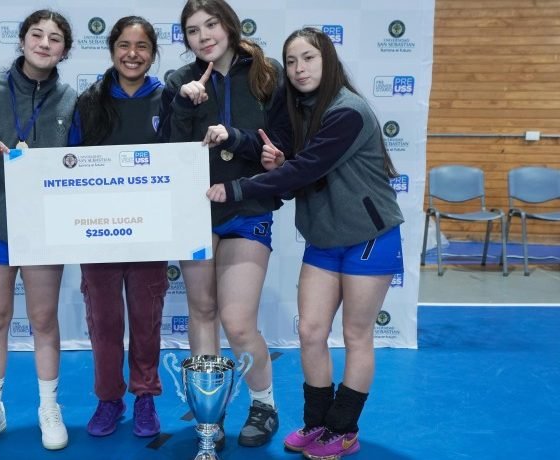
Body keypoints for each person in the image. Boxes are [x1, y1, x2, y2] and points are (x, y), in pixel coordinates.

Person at [206, 27, 405, 459]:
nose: (299, 69)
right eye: (292, 61)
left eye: (309, 58)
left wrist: (239, 188)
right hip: (324, 237)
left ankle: (343, 429)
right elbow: (300, 169)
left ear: (327, 60)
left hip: (369, 237)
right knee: (311, 332)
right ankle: (317, 424)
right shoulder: (301, 112)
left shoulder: (347, 111)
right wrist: (281, 160)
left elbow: (306, 170)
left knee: (356, 334)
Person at [157, 0, 289, 449]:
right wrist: (183, 105)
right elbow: (168, 152)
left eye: (211, 25)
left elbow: (279, 144)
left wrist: (239, 139)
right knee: (201, 310)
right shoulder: (179, 81)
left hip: (246, 207)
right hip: (194, 210)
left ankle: (264, 404)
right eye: (193, 30)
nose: (204, 36)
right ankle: (208, 410)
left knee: (237, 320)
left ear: (229, 26)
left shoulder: (266, 75)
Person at [0, 9, 77, 453]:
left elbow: (79, 164)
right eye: (37, 35)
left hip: (45, 228)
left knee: (43, 319)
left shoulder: (70, 100)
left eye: (55, 38)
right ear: (22, 40)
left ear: (65, 50)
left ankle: (49, 406)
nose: (44, 43)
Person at [68, 16, 169, 438]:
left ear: (153, 53)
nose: (132, 54)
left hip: (152, 231)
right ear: (111, 50)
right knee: (105, 321)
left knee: (146, 318)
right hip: (99, 232)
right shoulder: (88, 102)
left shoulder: (169, 100)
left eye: (142, 46)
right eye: (124, 45)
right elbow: (69, 165)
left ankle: (145, 396)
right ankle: (109, 398)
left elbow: (182, 162)